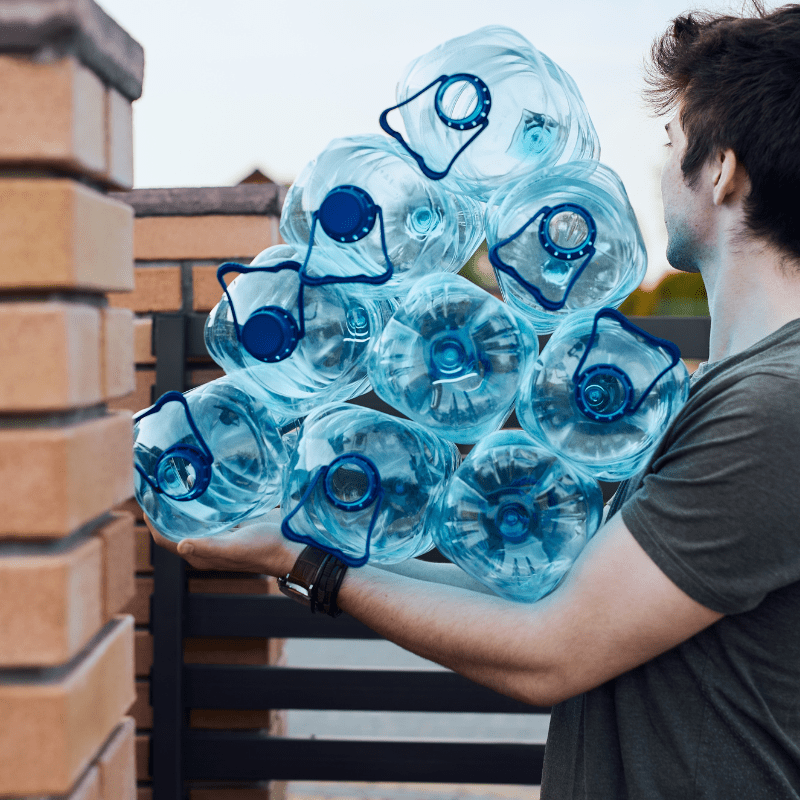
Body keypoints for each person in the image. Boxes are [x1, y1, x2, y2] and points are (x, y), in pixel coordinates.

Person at [147, 3, 800, 797]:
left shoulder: (774, 409)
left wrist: (300, 560)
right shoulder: (737, 393)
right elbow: (555, 596)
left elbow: (549, 651)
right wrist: (302, 539)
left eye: (671, 143)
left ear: (724, 169)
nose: (661, 166)